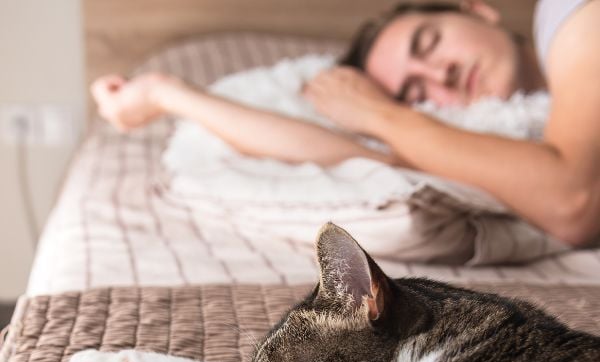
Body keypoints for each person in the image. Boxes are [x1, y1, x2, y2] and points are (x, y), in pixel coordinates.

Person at [92, 0, 600, 246]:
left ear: (475, 10)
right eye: (417, 93)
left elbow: (570, 201)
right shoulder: (479, 147)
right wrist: (170, 94)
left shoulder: (570, 17)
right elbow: (362, 158)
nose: (440, 72)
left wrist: (385, 113)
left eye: (429, 42)